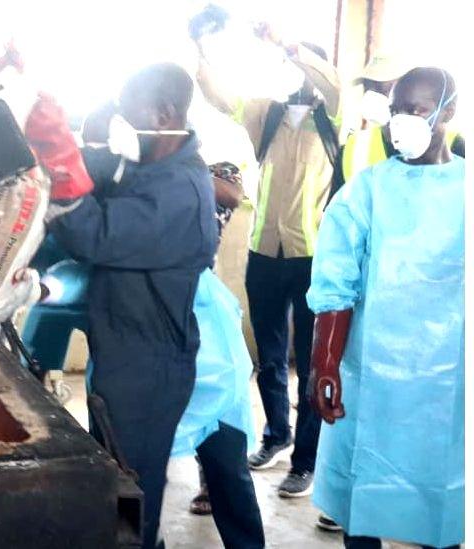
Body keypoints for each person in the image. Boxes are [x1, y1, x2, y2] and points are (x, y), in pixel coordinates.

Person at [25, 63, 218, 548]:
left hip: (148, 369)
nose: (120, 128)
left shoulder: (181, 194)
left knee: (130, 493)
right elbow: (98, 172)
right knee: (118, 481)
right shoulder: (150, 166)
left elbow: (95, 232)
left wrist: (59, 156)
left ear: (164, 114)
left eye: (128, 116)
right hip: (122, 352)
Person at [306, 67, 464, 549]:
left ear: (447, 112)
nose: (401, 122)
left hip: (449, 379)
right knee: (365, 495)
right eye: (396, 111)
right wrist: (324, 361)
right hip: (371, 372)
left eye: (415, 110)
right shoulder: (367, 190)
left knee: (447, 496)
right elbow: (336, 281)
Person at [196, 24, 340, 498]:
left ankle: (306, 461)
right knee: (271, 357)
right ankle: (277, 435)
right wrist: (203, 47)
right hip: (265, 253)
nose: (300, 79)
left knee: (310, 364)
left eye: (307, 69)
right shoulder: (269, 115)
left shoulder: (335, 117)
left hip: (312, 256)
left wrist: (293, 45)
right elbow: (221, 96)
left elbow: (332, 84)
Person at [333, 53, 464, 199]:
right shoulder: (353, 149)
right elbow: (336, 216)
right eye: (370, 88)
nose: (375, 97)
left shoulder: (456, 147)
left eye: (387, 89)